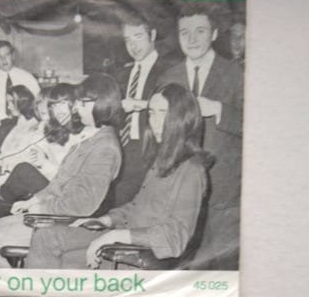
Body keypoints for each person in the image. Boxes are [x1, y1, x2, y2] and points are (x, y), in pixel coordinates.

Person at [25, 84, 210, 269]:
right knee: (46, 236)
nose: (155, 122)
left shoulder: (191, 170)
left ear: (182, 119)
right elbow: (137, 208)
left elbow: (175, 236)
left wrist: (116, 236)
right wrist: (106, 220)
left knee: (50, 249)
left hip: (135, 253)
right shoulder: (163, 160)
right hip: (122, 238)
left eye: (163, 113)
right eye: (151, 113)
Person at [0, 73, 123, 268]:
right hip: (57, 215)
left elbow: (83, 204)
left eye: (82, 103)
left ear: (100, 104)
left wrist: (42, 208)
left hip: (68, 223)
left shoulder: (105, 147)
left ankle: (16, 285)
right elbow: (61, 181)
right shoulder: (91, 137)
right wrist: (35, 200)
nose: (76, 107)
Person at [159, 2, 244, 267]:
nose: (192, 39)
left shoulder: (236, 74)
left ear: (214, 34)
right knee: (185, 271)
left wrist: (219, 109)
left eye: (200, 31)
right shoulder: (168, 77)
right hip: (180, 194)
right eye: (184, 33)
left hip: (224, 193)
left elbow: (260, 127)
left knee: (223, 271)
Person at [0, 83, 83, 218]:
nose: (43, 111)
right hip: (48, 182)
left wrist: (43, 163)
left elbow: (65, 178)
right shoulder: (49, 129)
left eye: (60, 105)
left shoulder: (75, 136)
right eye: (53, 106)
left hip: (61, 191)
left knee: (22, 170)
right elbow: (24, 152)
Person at [112, 10, 170, 205]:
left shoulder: (169, 70)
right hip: (122, 148)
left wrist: (142, 105)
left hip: (152, 149)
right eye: (127, 40)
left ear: (152, 35)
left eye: (138, 37)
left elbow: (175, 107)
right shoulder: (121, 73)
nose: (133, 46)